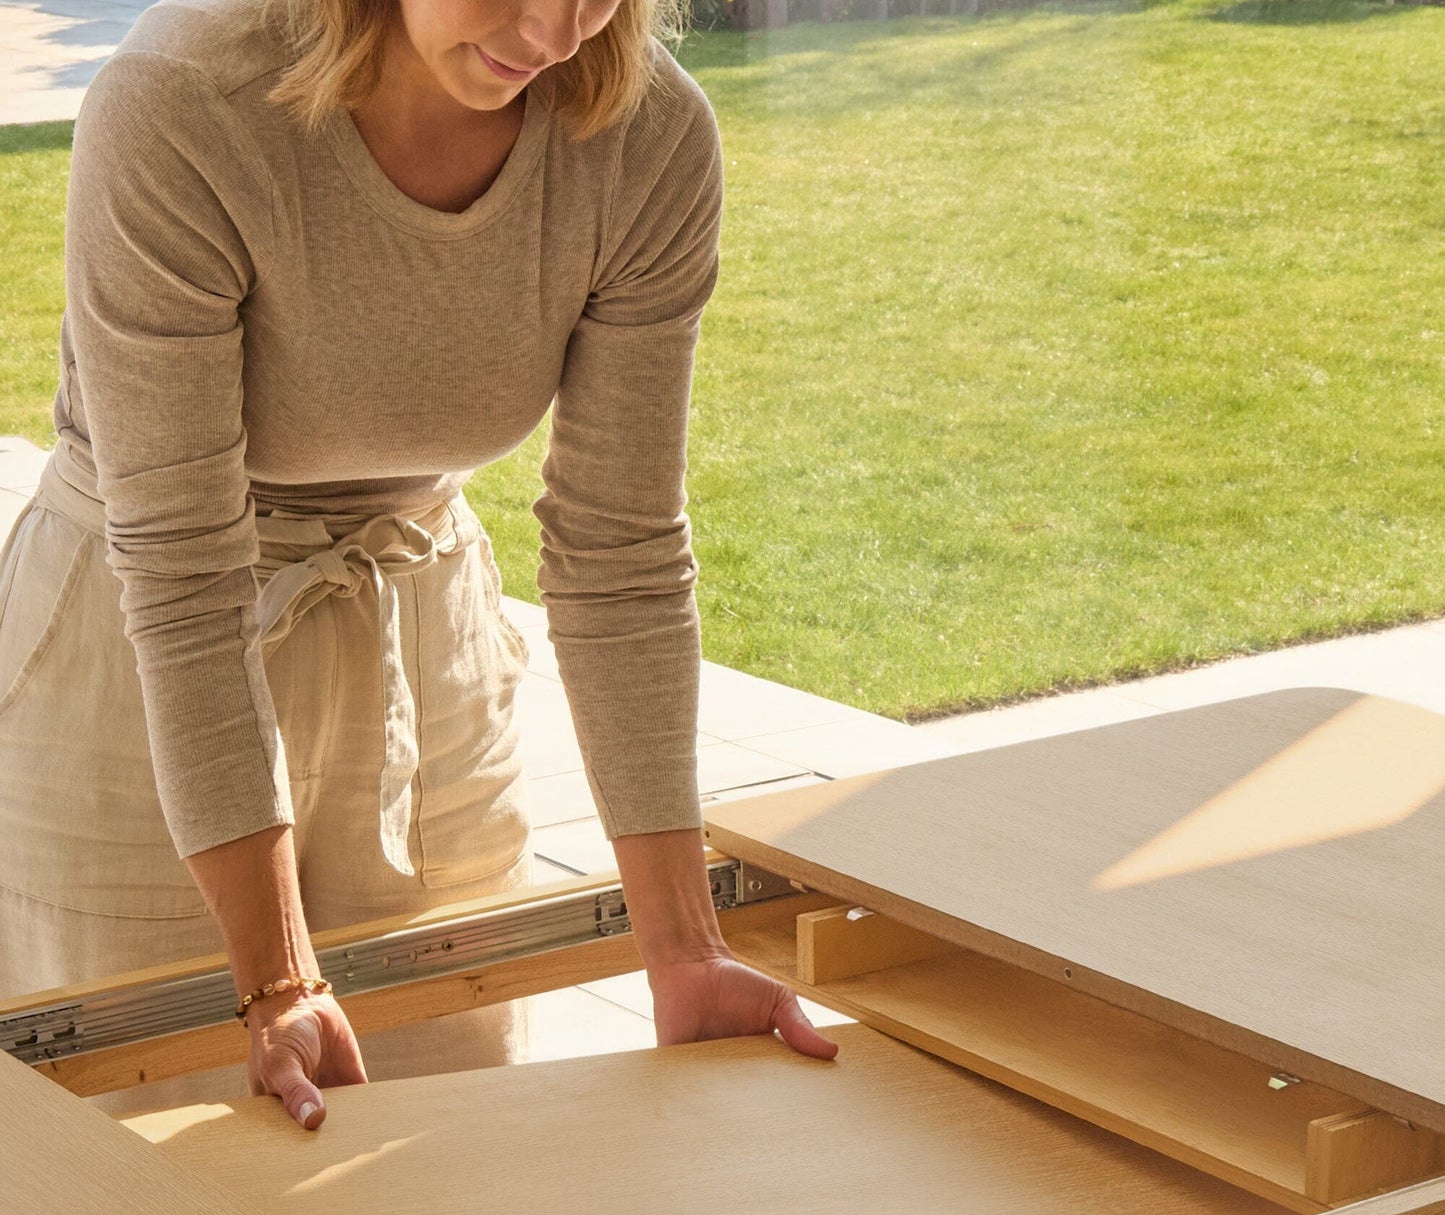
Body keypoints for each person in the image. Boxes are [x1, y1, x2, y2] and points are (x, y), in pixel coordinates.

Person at [0, 0, 838, 1123]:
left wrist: (684, 949)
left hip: (416, 617)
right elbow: (187, 568)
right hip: (136, 648)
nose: (552, 31)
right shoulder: (184, 101)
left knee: (455, 1157)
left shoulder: (645, 138)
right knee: (159, 1186)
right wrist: (279, 978)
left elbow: (619, 550)